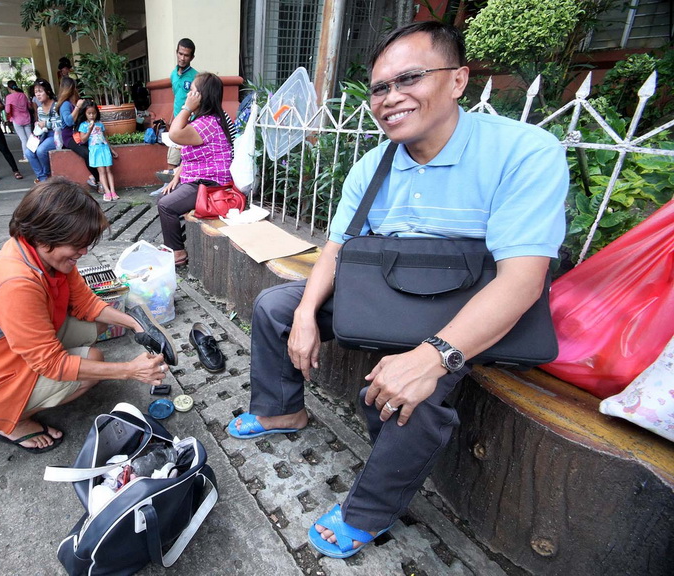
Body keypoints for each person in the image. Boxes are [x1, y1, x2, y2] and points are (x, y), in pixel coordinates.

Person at [226, 21, 568, 559]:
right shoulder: (372, 165)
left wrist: (436, 356)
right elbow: (335, 253)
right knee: (276, 306)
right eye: (381, 87)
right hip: (391, 290)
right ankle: (280, 410)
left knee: (416, 392)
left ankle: (370, 510)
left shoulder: (523, 152)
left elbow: (522, 280)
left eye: (409, 78)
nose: (390, 98)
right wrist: (308, 313)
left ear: (458, 80)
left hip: (468, 302)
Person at [0, 178, 176, 452]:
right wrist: (129, 371)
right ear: (44, 235)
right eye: (77, 244)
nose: (84, 252)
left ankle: (33, 391)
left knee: (93, 329)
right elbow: (52, 364)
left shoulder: (47, 255)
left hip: (13, 353)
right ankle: (12, 424)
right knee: (92, 368)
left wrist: (134, 323)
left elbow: (85, 303)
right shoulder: (15, 283)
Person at [157, 73, 234, 267]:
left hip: (209, 185)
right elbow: (195, 152)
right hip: (200, 180)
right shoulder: (209, 120)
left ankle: (178, 253)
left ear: (202, 96)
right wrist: (179, 173)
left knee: (166, 205)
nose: (188, 96)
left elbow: (174, 134)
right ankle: (175, 244)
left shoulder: (207, 124)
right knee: (164, 196)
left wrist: (186, 108)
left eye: (192, 92)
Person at [153, 38, 198, 193]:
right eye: (180, 53)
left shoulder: (196, 77)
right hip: (176, 122)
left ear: (191, 57)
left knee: (188, 157)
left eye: (186, 55)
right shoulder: (173, 74)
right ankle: (167, 187)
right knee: (172, 156)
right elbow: (176, 97)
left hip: (191, 124)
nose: (182, 58)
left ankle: (178, 189)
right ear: (176, 52)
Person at [58, 76, 102, 188]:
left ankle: (98, 178)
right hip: (69, 137)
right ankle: (97, 179)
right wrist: (77, 107)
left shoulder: (72, 102)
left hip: (77, 134)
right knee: (86, 153)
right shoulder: (65, 104)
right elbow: (68, 121)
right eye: (75, 87)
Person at [78, 102, 118, 201]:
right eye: (89, 113)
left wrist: (111, 149)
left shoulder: (100, 124)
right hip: (95, 150)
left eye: (94, 113)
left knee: (109, 170)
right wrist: (90, 129)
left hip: (104, 148)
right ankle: (107, 192)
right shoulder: (83, 125)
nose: (92, 115)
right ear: (85, 114)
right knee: (102, 172)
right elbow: (83, 139)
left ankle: (113, 191)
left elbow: (105, 137)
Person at [24, 79, 60, 183]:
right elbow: (41, 124)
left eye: (40, 91)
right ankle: (42, 178)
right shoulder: (39, 109)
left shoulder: (56, 106)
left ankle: (47, 173)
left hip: (55, 135)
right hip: (43, 135)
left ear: (48, 91)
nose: (38, 95)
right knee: (29, 152)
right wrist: (38, 126)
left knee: (41, 151)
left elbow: (59, 124)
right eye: (36, 92)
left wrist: (45, 124)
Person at [4, 80, 32, 163]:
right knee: (30, 138)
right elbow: (29, 106)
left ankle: (26, 156)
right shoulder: (23, 95)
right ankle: (34, 154)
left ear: (9, 88)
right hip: (27, 118)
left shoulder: (9, 97)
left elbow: (7, 110)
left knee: (23, 139)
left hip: (17, 120)